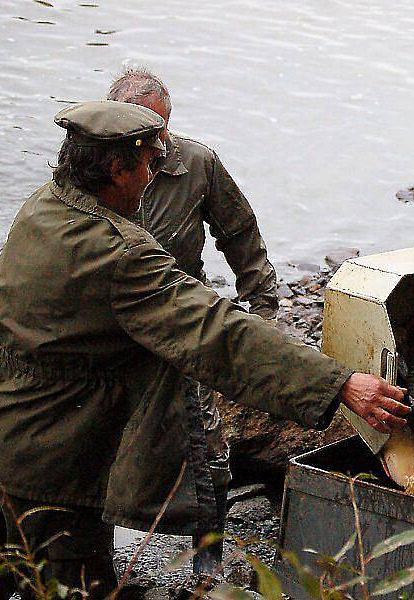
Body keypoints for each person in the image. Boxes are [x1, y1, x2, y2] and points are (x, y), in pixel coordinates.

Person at [0, 100, 409, 597]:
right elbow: (217, 333)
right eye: (150, 166)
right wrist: (339, 383)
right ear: (116, 169)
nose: (154, 178)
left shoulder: (44, 206)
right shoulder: (119, 253)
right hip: (50, 459)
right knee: (74, 585)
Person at [105, 67, 278, 573]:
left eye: (163, 130)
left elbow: (241, 235)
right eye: (144, 134)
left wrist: (263, 311)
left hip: (185, 320)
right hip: (116, 327)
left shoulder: (196, 164)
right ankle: (97, 558)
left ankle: (209, 563)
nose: (157, 145)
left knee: (204, 444)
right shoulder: (98, 169)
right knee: (98, 440)